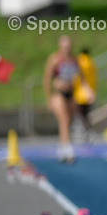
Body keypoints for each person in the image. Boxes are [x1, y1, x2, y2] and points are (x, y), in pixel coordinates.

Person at [43, 35, 79, 163]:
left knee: (68, 122)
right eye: (64, 47)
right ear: (60, 47)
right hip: (59, 94)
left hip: (71, 93)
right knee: (64, 119)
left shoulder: (75, 59)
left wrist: (87, 90)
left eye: (68, 47)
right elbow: (47, 78)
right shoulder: (55, 59)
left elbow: (81, 76)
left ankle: (61, 148)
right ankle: (69, 149)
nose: (67, 49)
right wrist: (49, 97)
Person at [72, 47, 97, 142]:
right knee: (86, 114)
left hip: (80, 93)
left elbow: (78, 77)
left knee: (81, 114)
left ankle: (87, 131)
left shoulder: (80, 62)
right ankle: (87, 131)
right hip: (90, 92)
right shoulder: (92, 63)